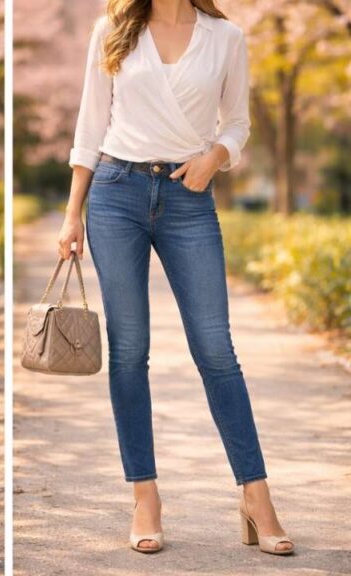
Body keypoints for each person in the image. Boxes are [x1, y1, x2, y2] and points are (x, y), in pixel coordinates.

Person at [58, 0, 294, 556]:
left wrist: (216, 156)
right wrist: (72, 214)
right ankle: (145, 496)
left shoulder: (224, 37)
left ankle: (256, 499)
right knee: (129, 349)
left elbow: (237, 121)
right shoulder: (112, 30)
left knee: (215, 348)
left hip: (190, 199)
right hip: (116, 196)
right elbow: (91, 124)